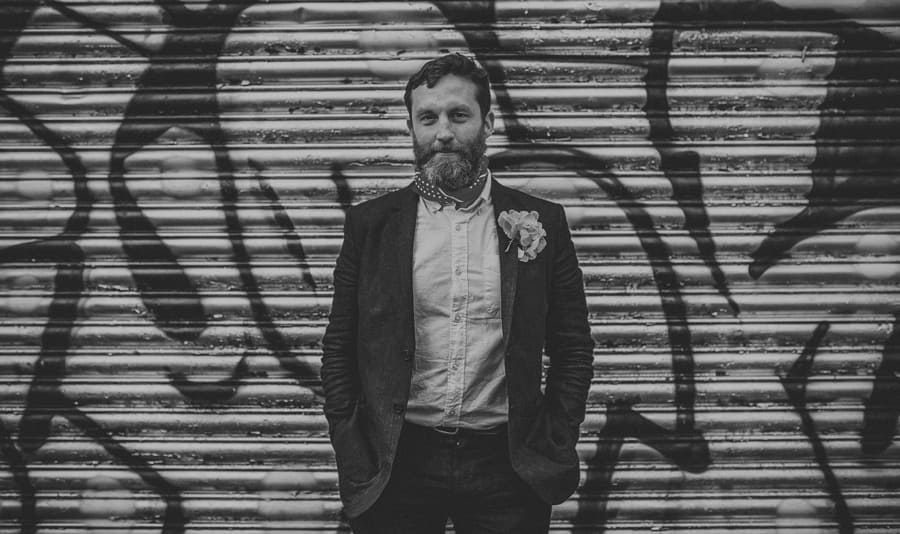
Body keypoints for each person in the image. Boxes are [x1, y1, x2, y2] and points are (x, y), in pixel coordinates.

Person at [320, 53, 594, 533]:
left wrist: (556, 436)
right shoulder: (371, 226)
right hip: (397, 463)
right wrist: (351, 444)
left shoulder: (543, 222)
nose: (443, 132)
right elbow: (339, 347)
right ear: (411, 127)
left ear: (488, 123)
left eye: (458, 115)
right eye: (428, 118)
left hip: (508, 466)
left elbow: (572, 346)